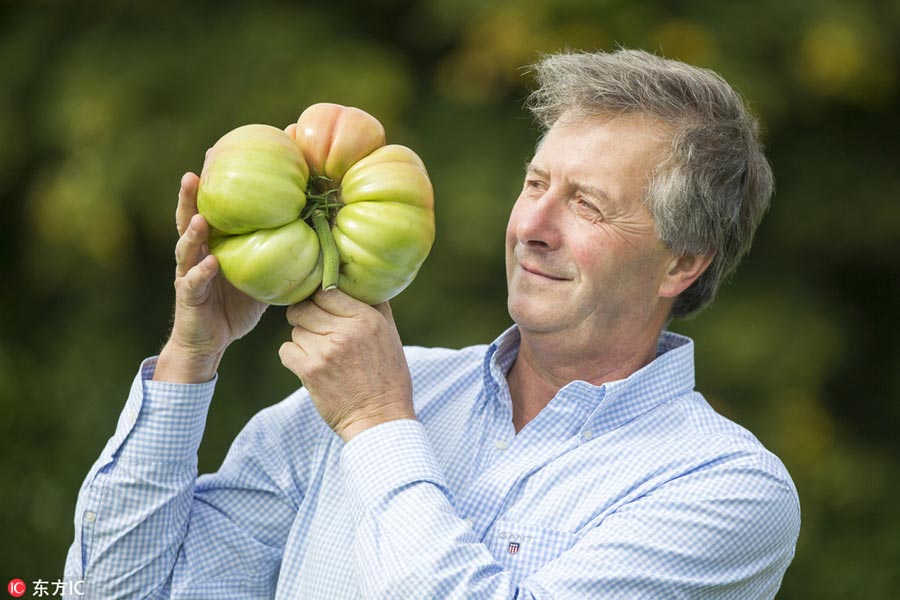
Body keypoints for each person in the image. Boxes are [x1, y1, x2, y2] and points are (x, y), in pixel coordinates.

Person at [64, 49, 800, 599]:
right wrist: (193, 353)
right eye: (535, 184)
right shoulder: (355, 401)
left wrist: (381, 425)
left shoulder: (726, 488)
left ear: (682, 264)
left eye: (588, 204)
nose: (531, 227)